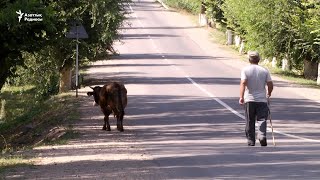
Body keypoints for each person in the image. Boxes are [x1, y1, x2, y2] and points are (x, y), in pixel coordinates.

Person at [239, 51, 273, 146]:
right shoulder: (264, 70)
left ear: (249, 59)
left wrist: (241, 97)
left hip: (249, 99)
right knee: (262, 119)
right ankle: (262, 136)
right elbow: (270, 84)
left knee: (250, 120)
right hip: (262, 99)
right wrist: (269, 93)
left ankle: (251, 140)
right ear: (258, 59)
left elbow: (243, 83)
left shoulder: (245, 70)